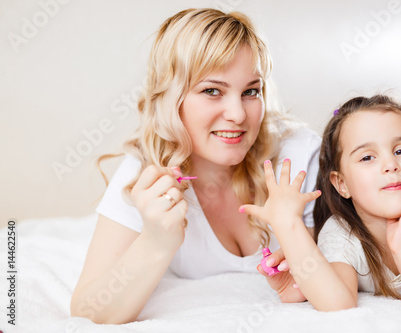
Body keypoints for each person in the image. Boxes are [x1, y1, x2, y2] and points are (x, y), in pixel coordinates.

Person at [70, 8, 321, 324]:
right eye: (212, 91)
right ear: (173, 99)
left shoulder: (296, 155)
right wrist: (156, 241)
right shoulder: (146, 175)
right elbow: (87, 310)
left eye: (250, 92)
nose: (238, 114)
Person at [240, 95, 401, 311]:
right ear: (342, 184)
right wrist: (288, 226)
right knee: (397, 177)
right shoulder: (341, 232)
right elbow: (337, 302)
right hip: (396, 183)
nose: (390, 163)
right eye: (367, 157)